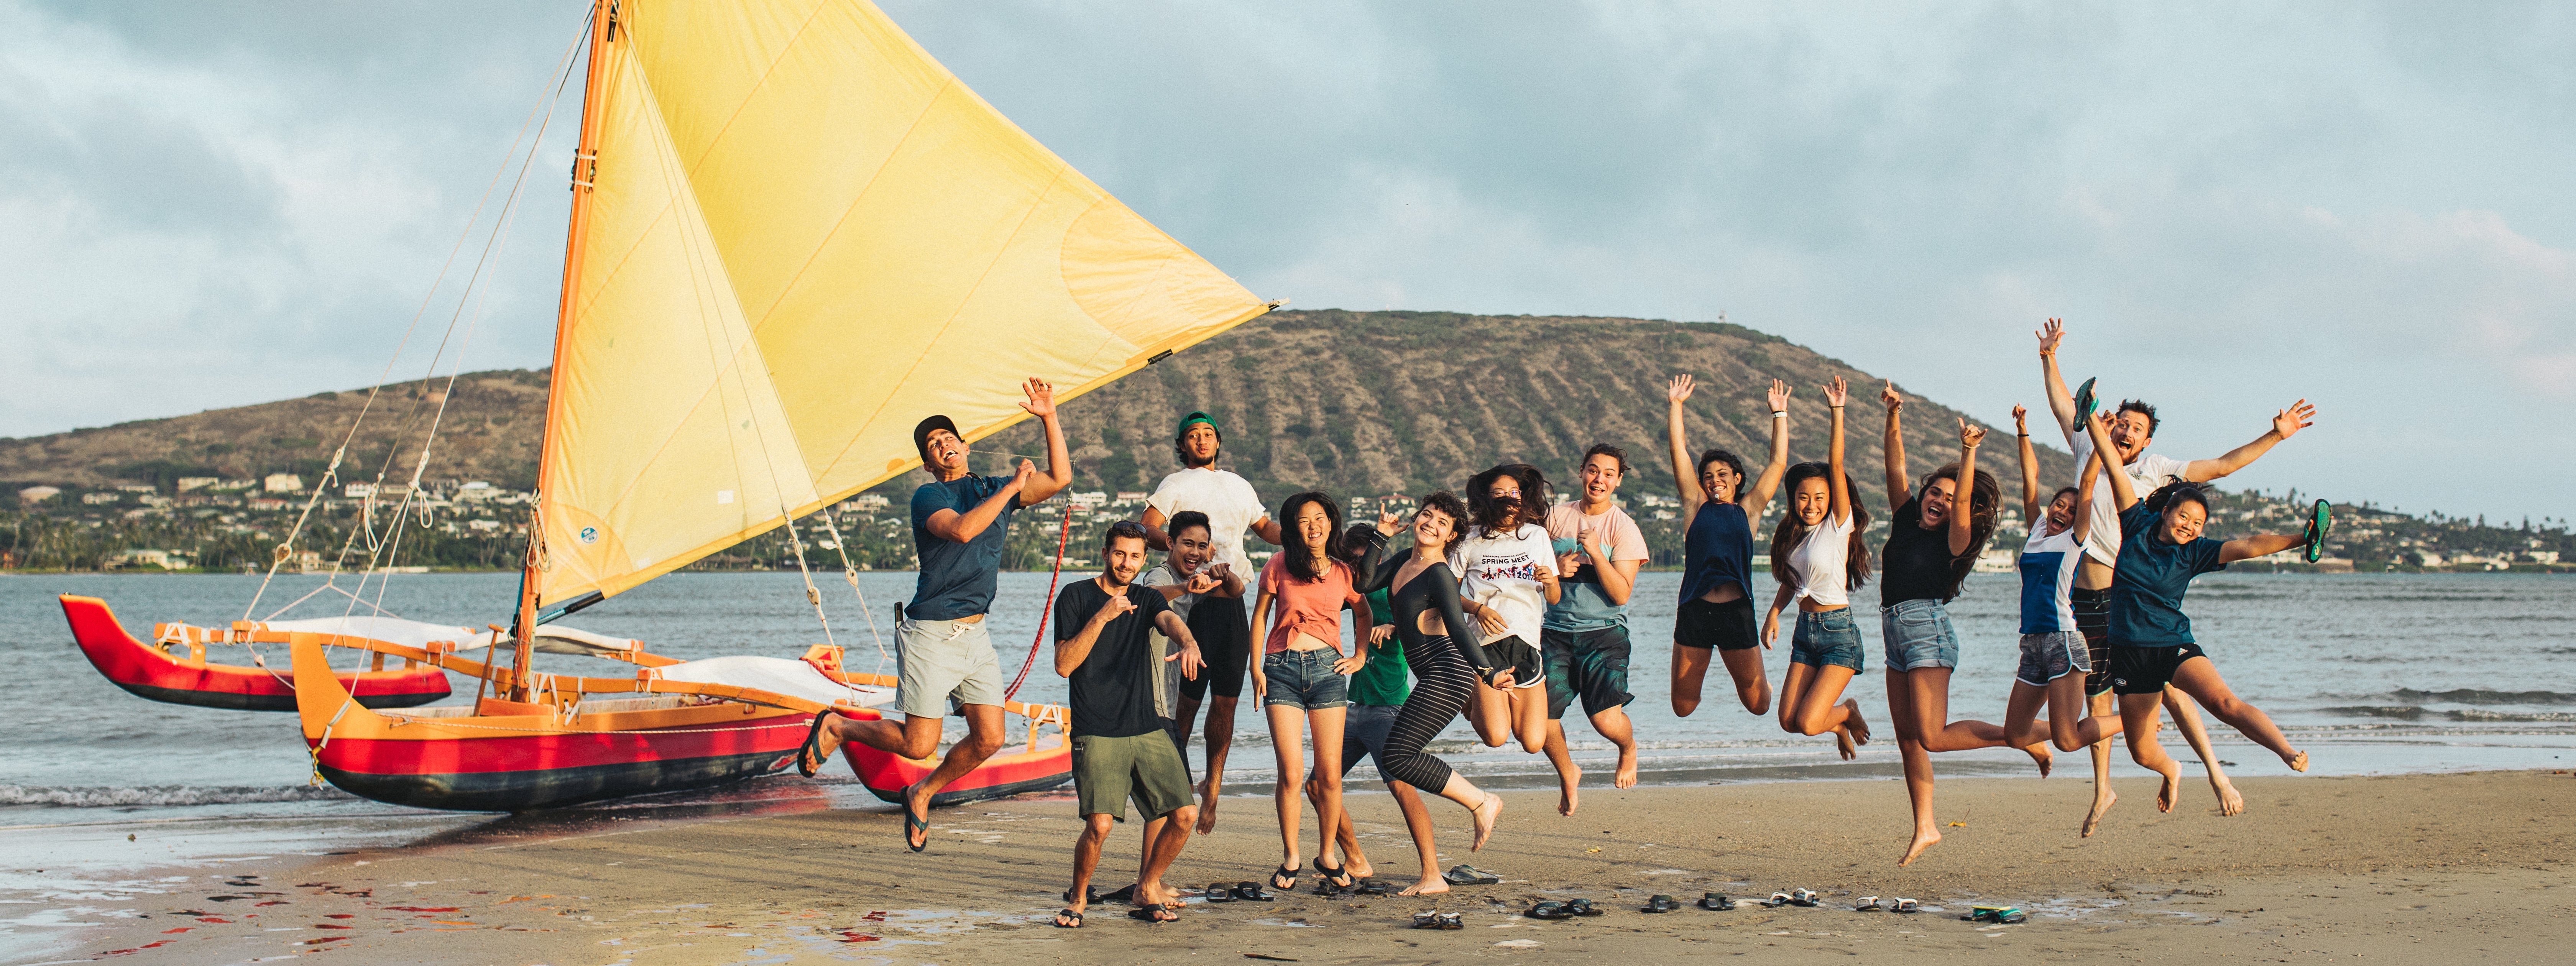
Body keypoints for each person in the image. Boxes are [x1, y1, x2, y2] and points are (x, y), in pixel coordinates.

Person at [2037, 318, 2318, 830]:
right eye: (2118, 422)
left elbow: (2226, 471)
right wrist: (2050, 360)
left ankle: (2218, 773)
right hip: (2096, 607)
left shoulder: (2159, 482)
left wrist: (2276, 437)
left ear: (2148, 443)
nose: (2125, 431)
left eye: (2136, 428)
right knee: (2119, 716)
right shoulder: (2091, 452)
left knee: (2189, 694)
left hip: (2142, 611)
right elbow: (2066, 409)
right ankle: (2114, 786)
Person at [806, 378, 1070, 852]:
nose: (944, 444)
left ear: (965, 446)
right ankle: (837, 726)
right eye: (934, 445)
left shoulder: (991, 488)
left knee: (990, 738)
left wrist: (1049, 417)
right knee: (919, 744)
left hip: (976, 633)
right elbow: (965, 531)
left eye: (949, 437)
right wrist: (1013, 486)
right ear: (930, 463)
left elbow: (1060, 480)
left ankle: (922, 792)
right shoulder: (930, 498)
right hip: (930, 631)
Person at [2085, 411, 2316, 812]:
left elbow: (2249, 547)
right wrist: (2090, 418)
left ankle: (2287, 751)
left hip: (2173, 645)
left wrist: (2301, 538)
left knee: (2225, 704)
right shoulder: (2136, 522)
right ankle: (2172, 770)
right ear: (2167, 513)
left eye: (2198, 522)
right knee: (2141, 752)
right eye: (2184, 517)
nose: (2190, 526)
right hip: (2129, 654)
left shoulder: (2196, 552)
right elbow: (2110, 461)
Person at [1873, 381, 2043, 867]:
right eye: (1936, 491)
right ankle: (1926, 826)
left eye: (1950, 498)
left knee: (1934, 736)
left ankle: (2029, 735)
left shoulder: (1957, 539)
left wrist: (1968, 454)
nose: (1942, 500)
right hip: (1896, 632)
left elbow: (1965, 504)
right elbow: (1895, 466)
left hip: (1926, 628)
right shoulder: (1906, 519)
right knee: (1908, 737)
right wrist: (1893, 416)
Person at [1051, 521, 1206, 927]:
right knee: (1100, 825)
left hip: (1145, 725)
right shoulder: (1076, 596)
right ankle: (1079, 898)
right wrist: (1102, 617)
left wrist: (1188, 642)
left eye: (1136, 556)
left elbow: (1170, 623)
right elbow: (1064, 665)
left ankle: (1148, 885)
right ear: (1105, 553)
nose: (1127, 563)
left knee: (1185, 814)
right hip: (1096, 728)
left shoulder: (1146, 597)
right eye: (1120, 554)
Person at [1359, 491, 1510, 895]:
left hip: (1449, 672)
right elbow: (1364, 581)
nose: (1431, 524)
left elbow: (1459, 628)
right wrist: (1380, 535)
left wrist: (1489, 674)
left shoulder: (1439, 573)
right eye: (1427, 516)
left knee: (1397, 755)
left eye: (1442, 523)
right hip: (1432, 675)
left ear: (1452, 535)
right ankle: (1478, 806)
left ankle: (1482, 802)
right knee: (1399, 756)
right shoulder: (1407, 562)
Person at [1138, 411, 1279, 835]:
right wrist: (1190, 553)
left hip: (1230, 603)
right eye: (1193, 436)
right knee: (1186, 704)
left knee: (1227, 702)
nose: (1202, 441)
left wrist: (1301, 533)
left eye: (1208, 435)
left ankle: (1213, 785)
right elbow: (1148, 529)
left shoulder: (1239, 485)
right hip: (1188, 606)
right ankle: (1176, 784)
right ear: (1183, 445)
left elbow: (1265, 528)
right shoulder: (1176, 483)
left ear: (1218, 442)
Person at [1248, 492, 1382, 895]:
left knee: (1327, 773)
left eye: (1320, 518)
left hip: (1328, 672)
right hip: (1282, 669)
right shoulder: (1279, 564)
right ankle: (1291, 856)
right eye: (1305, 520)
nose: (1314, 526)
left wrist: (1360, 655)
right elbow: (1259, 616)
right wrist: (1255, 667)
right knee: (1290, 773)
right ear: (1293, 527)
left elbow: (1364, 612)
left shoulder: (1344, 572)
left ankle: (1327, 854)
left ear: (1331, 522)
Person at [1305, 522, 1439, 892]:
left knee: (1401, 787)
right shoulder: (1353, 586)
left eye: (1365, 560)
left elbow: (1433, 615)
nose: (1361, 568)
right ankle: (1356, 860)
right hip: (1354, 702)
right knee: (1317, 786)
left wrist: (1395, 625)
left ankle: (1432, 872)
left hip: (1389, 704)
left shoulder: (1396, 582)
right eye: (1354, 561)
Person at [1665, 376, 1793, 719]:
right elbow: (1679, 450)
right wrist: (1676, 406)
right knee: (1683, 708)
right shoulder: (1695, 505)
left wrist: (1779, 415)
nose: (1714, 480)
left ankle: (1763, 681)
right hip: (1696, 610)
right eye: (1708, 475)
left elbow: (1778, 463)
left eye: (1723, 474)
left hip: (1736, 612)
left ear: (1737, 478)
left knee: (1759, 705)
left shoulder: (1748, 511)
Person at [1127, 510, 1238, 901]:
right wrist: (1190, 587)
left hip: (1171, 700)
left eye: (1201, 545)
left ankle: (1149, 879)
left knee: (1167, 800)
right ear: (1170, 543)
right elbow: (1148, 598)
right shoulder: (1160, 577)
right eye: (1186, 543)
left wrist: (1219, 576)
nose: (1194, 551)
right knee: (1168, 801)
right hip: (1155, 702)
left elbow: (1237, 596)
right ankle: (1147, 883)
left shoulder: (1205, 574)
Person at [1761, 377, 1873, 760]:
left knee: (1810, 723)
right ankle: (1838, 723)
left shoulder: (1839, 526)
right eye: (1803, 498)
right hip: (1805, 632)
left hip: (1838, 632)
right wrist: (1774, 614)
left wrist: (1837, 411)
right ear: (1793, 500)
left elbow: (1837, 463)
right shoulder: (1792, 536)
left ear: (1831, 500)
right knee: (1788, 720)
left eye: (1820, 497)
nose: (1812, 504)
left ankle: (1847, 713)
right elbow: (1793, 582)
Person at [2002, 404, 2119, 764]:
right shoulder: (2037, 531)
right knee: (2015, 734)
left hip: (2064, 642)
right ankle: (2064, 730)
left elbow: (2086, 484)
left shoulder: (2074, 540)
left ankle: (2132, 718)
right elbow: (2030, 480)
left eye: (2070, 511)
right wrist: (2023, 430)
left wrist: (2099, 438)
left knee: (2068, 741)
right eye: (2059, 505)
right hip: (2032, 643)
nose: (2063, 512)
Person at [1538, 444, 1651, 815]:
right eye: (1592, 470)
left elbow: (1621, 594)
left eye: (1608, 474)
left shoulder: (1624, 528)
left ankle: (1628, 747)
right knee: (1542, 720)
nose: (1598, 479)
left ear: (1618, 481)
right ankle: (1568, 771)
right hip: (1556, 631)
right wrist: (1556, 566)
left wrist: (1597, 555)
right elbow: (1531, 568)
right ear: (1581, 472)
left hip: (1604, 633)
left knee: (1605, 721)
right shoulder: (1554, 518)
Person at [1453, 465, 1561, 766]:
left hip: (1526, 643)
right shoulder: (1471, 539)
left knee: (1533, 741)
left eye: (1514, 492)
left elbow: (1553, 597)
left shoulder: (1536, 536)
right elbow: (1448, 594)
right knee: (1496, 736)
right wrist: (1477, 608)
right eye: (1499, 493)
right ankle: (1471, 698)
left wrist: (1551, 581)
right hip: (1484, 645)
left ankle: (1491, 700)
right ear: (1487, 499)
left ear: (1522, 498)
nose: (1508, 498)